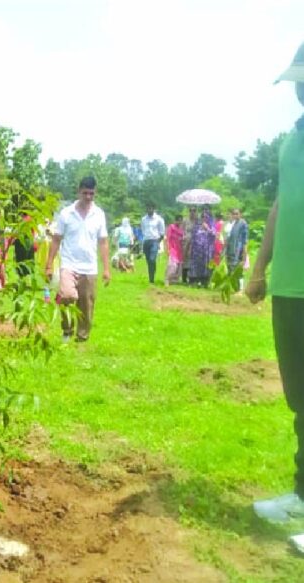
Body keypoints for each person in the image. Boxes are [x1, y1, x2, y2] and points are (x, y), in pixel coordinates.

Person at [246, 41, 304, 554]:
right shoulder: (293, 138)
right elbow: (283, 203)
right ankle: (302, 494)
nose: (298, 92)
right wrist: (259, 268)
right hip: (289, 284)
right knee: (301, 399)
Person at [44, 176, 111, 343]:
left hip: (89, 267)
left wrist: (107, 269)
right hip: (69, 263)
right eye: (85, 193)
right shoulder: (66, 213)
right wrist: (49, 264)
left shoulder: (99, 214)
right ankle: (67, 330)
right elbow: (56, 239)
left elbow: (103, 242)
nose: (88, 197)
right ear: (78, 191)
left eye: (91, 194)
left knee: (86, 305)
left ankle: (82, 337)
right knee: (66, 295)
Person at [188, 208, 216, 287]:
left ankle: (204, 282)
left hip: (206, 251)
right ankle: (194, 281)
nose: (204, 218)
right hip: (196, 250)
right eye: (203, 216)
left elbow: (214, 236)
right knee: (196, 265)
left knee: (205, 265)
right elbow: (193, 237)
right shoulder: (197, 225)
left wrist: (207, 228)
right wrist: (190, 248)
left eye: (206, 216)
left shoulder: (211, 226)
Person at [140, 203, 165, 284]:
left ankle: (152, 279)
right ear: (146, 209)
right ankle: (151, 274)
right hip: (146, 241)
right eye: (148, 208)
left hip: (155, 240)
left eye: (151, 208)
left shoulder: (159, 219)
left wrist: (158, 242)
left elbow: (162, 233)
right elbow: (143, 230)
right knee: (148, 261)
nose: (149, 210)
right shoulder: (143, 219)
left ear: (154, 209)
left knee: (152, 259)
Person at [225, 208, 248, 292]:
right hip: (231, 249)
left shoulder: (243, 223)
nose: (235, 215)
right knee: (231, 268)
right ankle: (236, 288)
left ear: (240, 214)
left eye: (237, 214)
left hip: (239, 250)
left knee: (238, 270)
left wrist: (244, 254)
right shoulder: (234, 223)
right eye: (234, 214)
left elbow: (245, 240)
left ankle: (241, 289)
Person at [164, 214, 184, 286]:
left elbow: (181, 240)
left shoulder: (181, 230)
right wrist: (167, 248)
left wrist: (182, 239)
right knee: (172, 265)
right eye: (178, 220)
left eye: (180, 220)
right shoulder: (171, 227)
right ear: (175, 220)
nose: (179, 222)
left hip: (179, 250)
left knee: (178, 268)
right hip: (172, 249)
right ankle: (166, 279)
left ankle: (172, 280)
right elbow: (167, 238)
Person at [181, 206, 198, 283]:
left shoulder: (198, 221)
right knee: (185, 259)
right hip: (186, 241)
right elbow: (181, 230)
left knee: (193, 260)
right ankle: (184, 278)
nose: (192, 212)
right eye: (191, 210)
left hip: (195, 242)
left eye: (194, 210)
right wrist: (183, 237)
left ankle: (192, 278)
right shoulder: (185, 220)